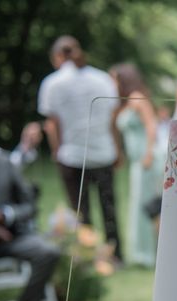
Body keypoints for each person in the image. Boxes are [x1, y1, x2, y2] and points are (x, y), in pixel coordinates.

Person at [37, 35, 123, 261]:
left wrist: (57, 152)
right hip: (103, 153)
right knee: (109, 209)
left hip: (72, 156)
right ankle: (116, 255)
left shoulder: (52, 83)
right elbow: (113, 119)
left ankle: (88, 258)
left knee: (80, 211)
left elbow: (52, 124)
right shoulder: (102, 78)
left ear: (56, 56)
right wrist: (118, 149)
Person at [0, 147, 60, 301]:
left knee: (48, 252)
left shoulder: (5, 163)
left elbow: (29, 206)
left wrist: (7, 215)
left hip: (11, 237)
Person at [110, 63, 163, 267]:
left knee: (147, 206)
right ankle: (141, 252)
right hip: (136, 161)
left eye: (114, 79)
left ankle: (149, 254)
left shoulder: (138, 99)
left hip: (146, 160)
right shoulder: (124, 102)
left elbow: (152, 126)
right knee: (138, 204)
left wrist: (148, 154)